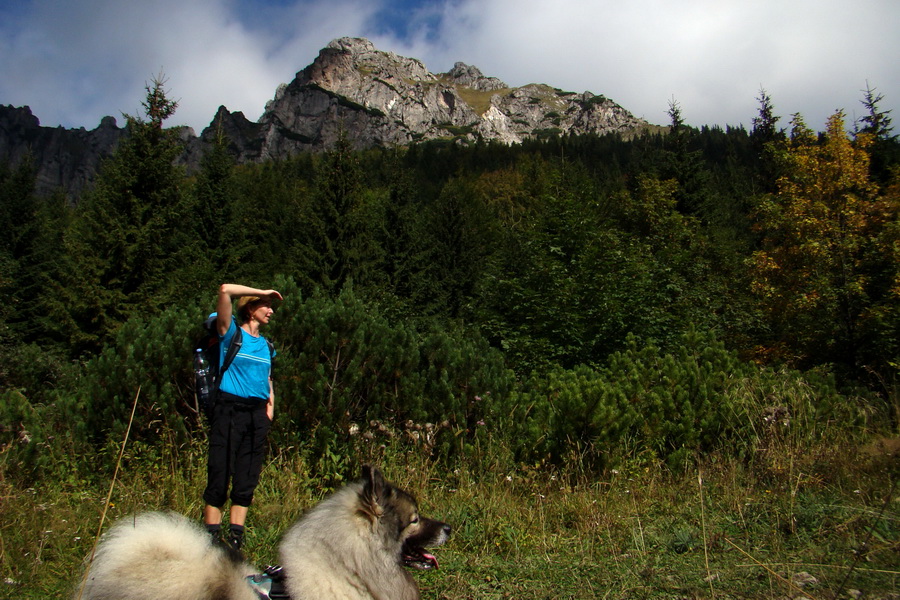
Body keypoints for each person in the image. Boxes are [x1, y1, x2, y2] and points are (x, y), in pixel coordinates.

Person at [202, 283, 283, 556]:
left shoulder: (267, 346)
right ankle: (212, 539)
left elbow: (268, 376)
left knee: (247, 477)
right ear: (250, 308)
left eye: (271, 306)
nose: (271, 311)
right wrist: (263, 291)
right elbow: (224, 290)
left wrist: (270, 404)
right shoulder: (230, 334)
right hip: (229, 410)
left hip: (256, 414)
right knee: (219, 472)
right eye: (266, 305)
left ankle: (235, 538)